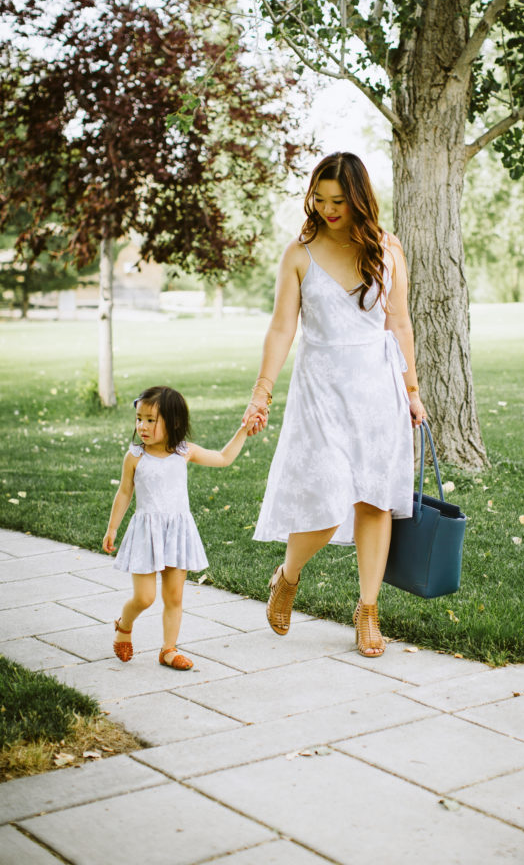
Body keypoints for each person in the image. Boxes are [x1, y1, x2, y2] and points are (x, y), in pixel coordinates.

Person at [243, 152, 427, 657]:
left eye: (338, 201)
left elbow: (400, 324)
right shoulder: (299, 254)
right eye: (319, 200)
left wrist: (412, 392)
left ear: (359, 199)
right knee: (325, 501)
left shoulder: (387, 250)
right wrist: (262, 389)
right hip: (319, 389)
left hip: (377, 388)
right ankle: (288, 574)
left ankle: (368, 610)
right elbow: (283, 328)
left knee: (374, 500)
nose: (327, 210)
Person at [103, 385, 260, 670]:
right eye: (139, 419)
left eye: (151, 420)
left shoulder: (183, 452)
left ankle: (168, 650)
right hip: (146, 534)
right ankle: (124, 625)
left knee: (174, 597)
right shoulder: (135, 457)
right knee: (145, 597)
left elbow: (223, 458)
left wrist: (243, 432)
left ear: (174, 423)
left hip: (177, 533)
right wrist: (112, 527)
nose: (142, 426)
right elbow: (125, 492)